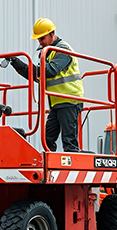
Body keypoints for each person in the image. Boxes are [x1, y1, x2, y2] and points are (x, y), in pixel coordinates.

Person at [10, 18, 84, 152]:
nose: (40, 42)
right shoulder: (47, 53)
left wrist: (31, 67)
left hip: (69, 100)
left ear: (52, 33)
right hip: (56, 102)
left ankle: (71, 168)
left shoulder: (63, 50)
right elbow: (39, 76)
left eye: (42, 38)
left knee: (69, 140)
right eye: (38, 39)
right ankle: (48, 168)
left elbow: (50, 71)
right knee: (48, 138)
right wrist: (19, 65)